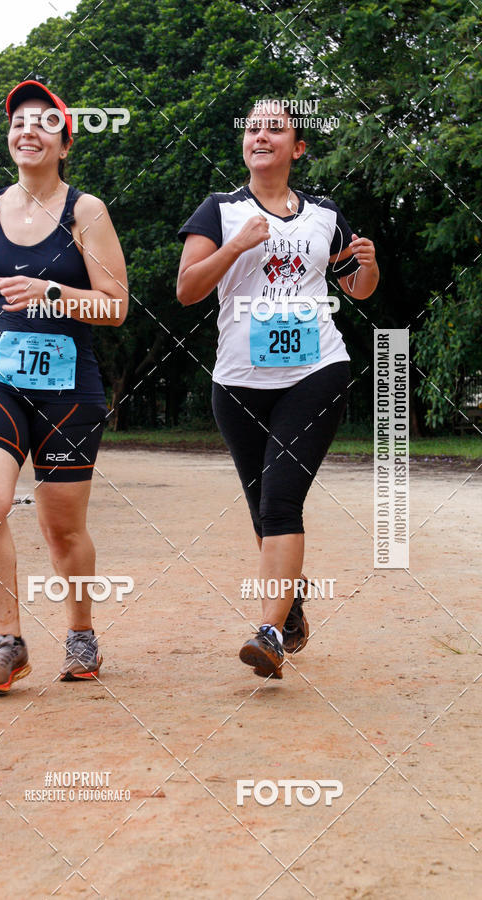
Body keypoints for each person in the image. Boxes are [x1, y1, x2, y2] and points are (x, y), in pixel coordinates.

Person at [176, 98, 378, 679]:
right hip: (237, 382)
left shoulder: (323, 215)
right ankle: (289, 606)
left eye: (276, 128)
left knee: (280, 502)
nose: (261, 136)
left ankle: (268, 632)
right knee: (263, 511)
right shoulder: (217, 210)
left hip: (315, 373)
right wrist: (237, 245)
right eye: (253, 128)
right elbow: (187, 289)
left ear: (297, 148)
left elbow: (356, 290)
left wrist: (367, 267)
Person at [0, 80, 128, 692]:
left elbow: (117, 307)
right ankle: (9, 642)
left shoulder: (86, 211)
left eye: (44, 123)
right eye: (19, 122)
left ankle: (81, 633)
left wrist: (55, 293)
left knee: (62, 529)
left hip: (69, 387)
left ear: (64, 143)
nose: (28, 130)